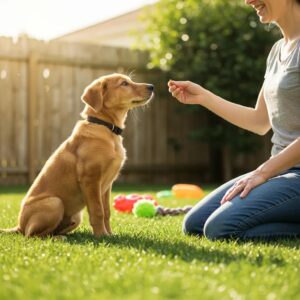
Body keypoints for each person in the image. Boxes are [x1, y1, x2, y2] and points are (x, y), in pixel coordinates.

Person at [168, 0, 300, 240]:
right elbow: (260, 121)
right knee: (195, 224)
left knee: (221, 229)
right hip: (281, 170)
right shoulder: (277, 50)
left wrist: (263, 172)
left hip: (289, 173)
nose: (248, 0)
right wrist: (204, 97)